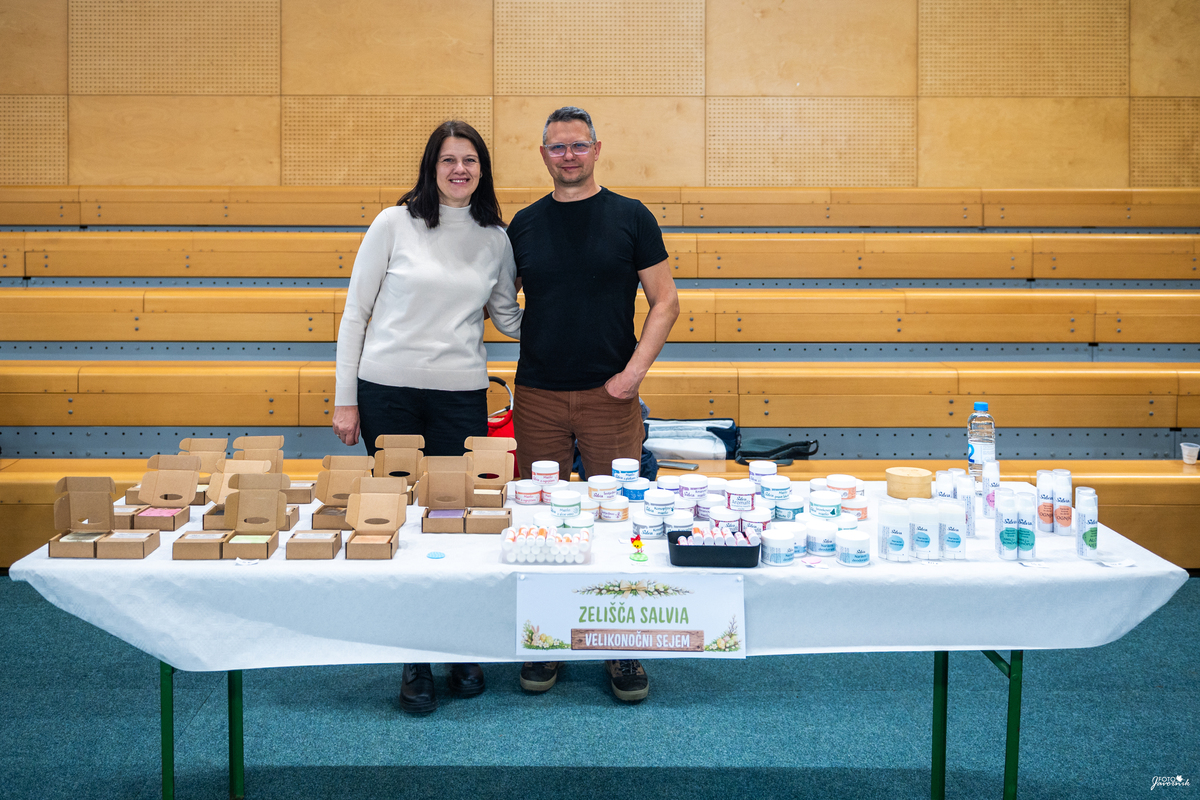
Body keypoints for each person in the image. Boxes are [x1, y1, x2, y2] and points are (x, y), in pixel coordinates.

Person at [332, 120, 522, 715]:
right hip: (387, 391)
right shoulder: (393, 224)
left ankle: (458, 647)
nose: (460, 169)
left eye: (470, 160)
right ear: (431, 167)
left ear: (483, 169)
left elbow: (509, 319)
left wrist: (576, 310)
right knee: (405, 524)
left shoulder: (495, 238)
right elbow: (355, 314)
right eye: (449, 160)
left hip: (459, 395)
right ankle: (414, 657)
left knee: (453, 520)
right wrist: (345, 398)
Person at [506, 106, 680, 703]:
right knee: (540, 524)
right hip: (537, 396)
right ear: (543, 155)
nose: (569, 155)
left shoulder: (632, 217)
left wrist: (632, 375)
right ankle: (546, 638)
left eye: (579, 145)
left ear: (597, 149)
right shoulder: (524, 225)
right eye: (558, 147)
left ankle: (622, 643)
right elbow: (495, 299)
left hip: (611, 396)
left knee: (618, 522)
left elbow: (665, 301)